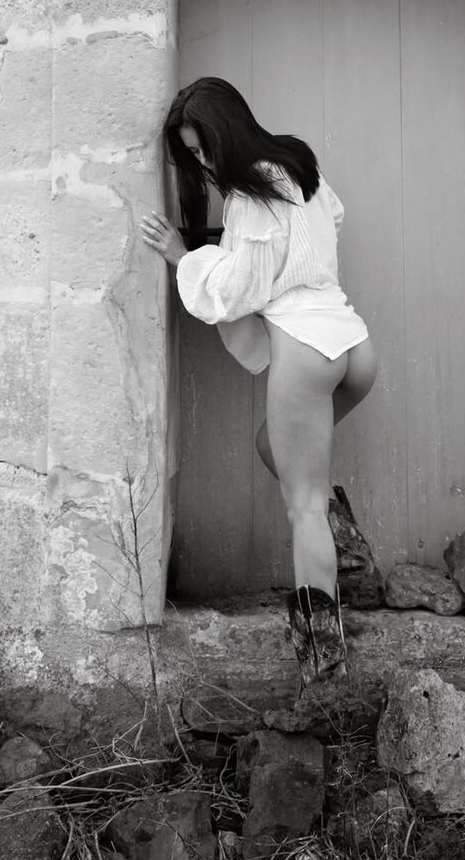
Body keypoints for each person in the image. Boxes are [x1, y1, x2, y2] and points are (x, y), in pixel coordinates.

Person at [140, 77, 378, 690]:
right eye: (192, 154)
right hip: (352, 343)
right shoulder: (298, 164)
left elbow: (237, 289)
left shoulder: (248, 196)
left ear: (224, 133)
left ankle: (322, 668)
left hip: (305, 347)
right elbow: (334, 217)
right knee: (272, 446)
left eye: (202, 149)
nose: (201, 162)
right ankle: (348, 549)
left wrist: (182, 255)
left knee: (304, 506)